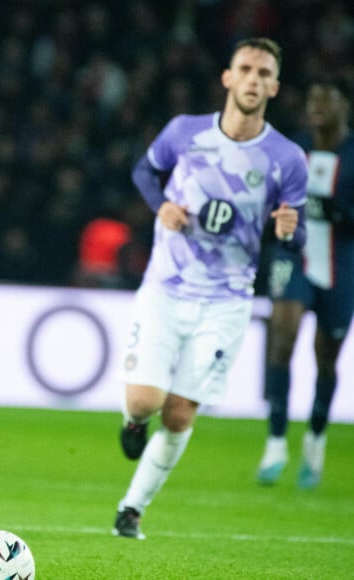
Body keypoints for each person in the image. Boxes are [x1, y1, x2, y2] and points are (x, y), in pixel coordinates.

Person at [112, 37, 308, 540]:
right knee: (144, 403)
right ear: (228, 77)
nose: (253, 79)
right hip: (166, 288)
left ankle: (131, 509)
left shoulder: (287, 157)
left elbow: (295, 232)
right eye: (246, 68)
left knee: (179, 413)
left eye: (264, 73)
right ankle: (133, 424)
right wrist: (162, 206)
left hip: (226, 301)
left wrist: (290, 230)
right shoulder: (186, 132)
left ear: (275, 86)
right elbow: (144, 171)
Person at [257, 76, 354, 489]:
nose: (315, 106)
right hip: (292, 256)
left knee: (326, 358)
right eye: (311, 98)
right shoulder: (292, 146)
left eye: (324, 99)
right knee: (282, 332)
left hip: (341, 263)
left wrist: (336, 213)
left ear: (342, 107)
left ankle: (315, 440)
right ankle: (276, 441)